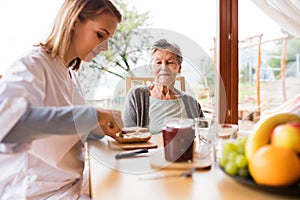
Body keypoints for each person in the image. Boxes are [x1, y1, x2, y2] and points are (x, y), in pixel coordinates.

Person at [0, 0, 123, 199]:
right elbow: (9, 124)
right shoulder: (32, 65)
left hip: (70, 183)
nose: (105, 47)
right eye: (100, 35)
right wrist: (93, 115)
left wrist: (99, 126)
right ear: (74, 21)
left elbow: (69, 127)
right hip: (38, 192)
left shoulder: (69, 74)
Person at [123, 39, 205, 134]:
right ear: (151, 68)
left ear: (179, 68)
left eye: (170, 62)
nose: (164, 67)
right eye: (158, 62)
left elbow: (203, 134)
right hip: (150, 149)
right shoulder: (137, 95)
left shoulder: (191, 102)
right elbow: (129, 135)